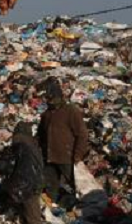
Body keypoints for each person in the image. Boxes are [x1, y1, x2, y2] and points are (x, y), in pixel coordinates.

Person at [35, 77, 91, 209]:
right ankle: (52, 206)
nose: (50, 102)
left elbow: (82, 134)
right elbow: (41, 134)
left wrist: (77, 155)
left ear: (60, 97)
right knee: (50, 184)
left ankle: (86, 207)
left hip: (67, 156)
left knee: (76, 183)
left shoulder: (71, 111)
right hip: (49, 156)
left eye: (52, 98)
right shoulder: (47, 114)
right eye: (48, 99)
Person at [2, 122, 51, 224]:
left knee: (32, 215)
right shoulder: (32, 144)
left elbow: (9, 165)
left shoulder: (18, 144)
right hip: (35, 183)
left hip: (26, 185)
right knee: (31, 212)